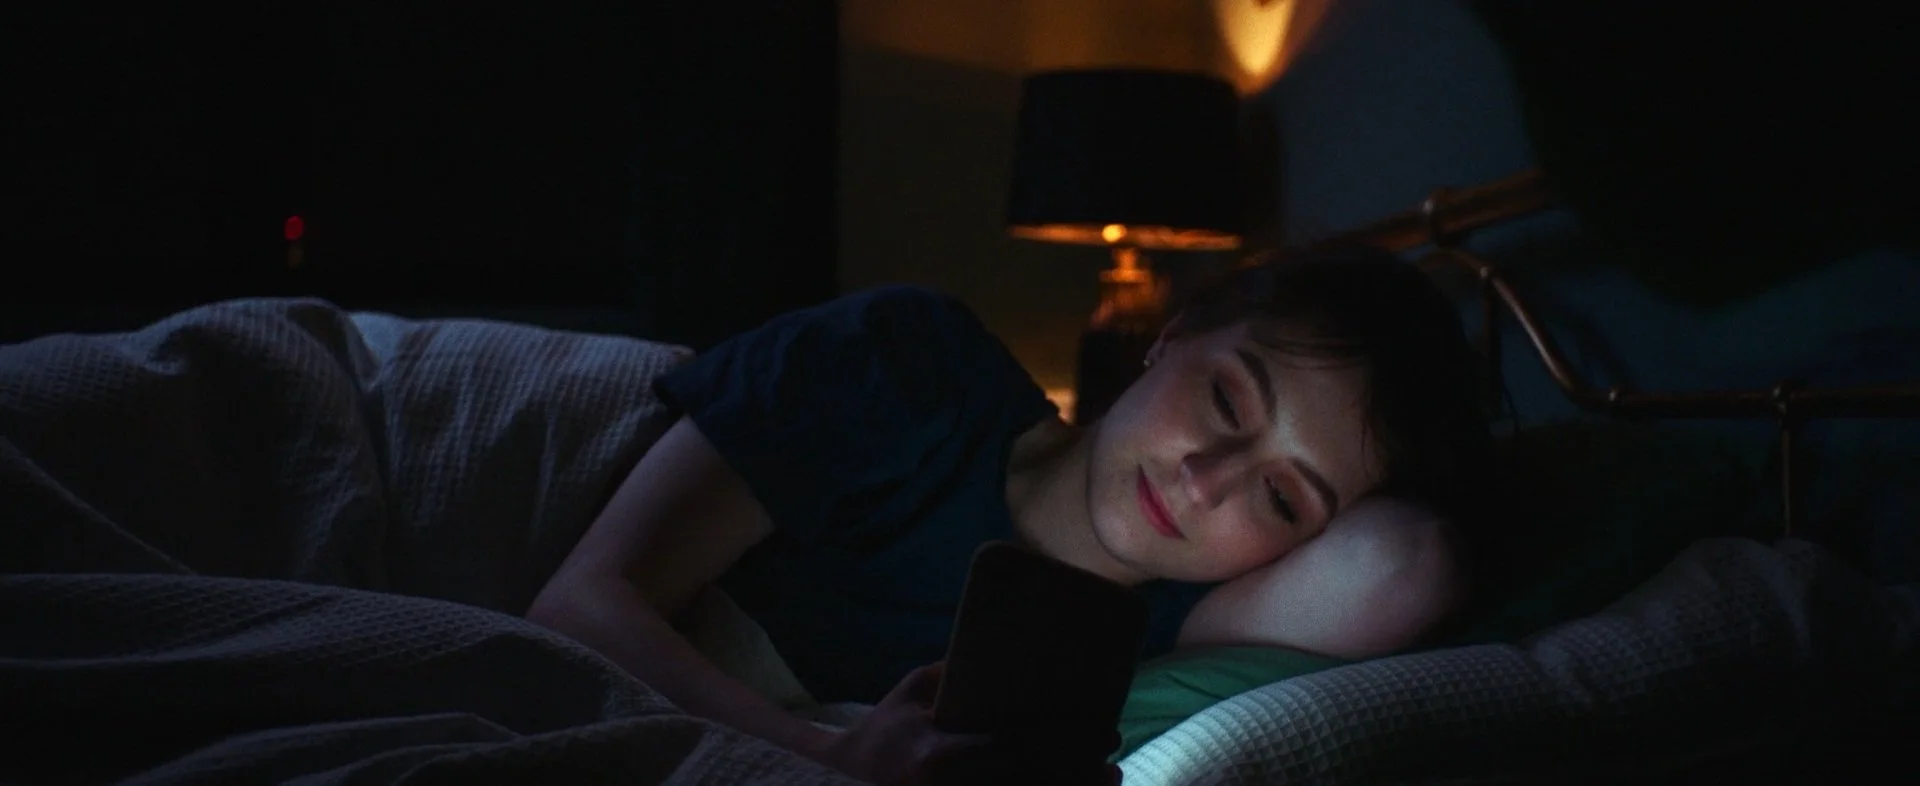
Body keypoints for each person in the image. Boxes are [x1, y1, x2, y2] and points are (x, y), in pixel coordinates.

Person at [526, 241, 1495, 784]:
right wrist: (827, 756)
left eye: (1282, 497)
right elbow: (578, 605)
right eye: (1226, 401)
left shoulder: (1173, 637)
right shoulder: (909, 366)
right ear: (1171, 336)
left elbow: (1411, 563)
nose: (1205, 481)